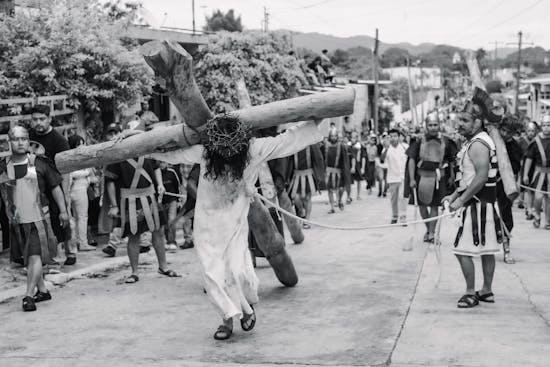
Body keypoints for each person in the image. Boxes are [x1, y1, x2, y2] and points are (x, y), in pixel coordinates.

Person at [150, 115, 324, 340]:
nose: (227, 153)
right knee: (213, 274)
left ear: (241, 142)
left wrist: (315, 121)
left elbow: (286, 141)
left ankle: (242, 310)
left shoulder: (253, 149)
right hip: (206, 226)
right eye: (222, 149)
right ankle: (228, 320)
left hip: (234, 223)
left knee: (236, 270)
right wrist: (137, 146)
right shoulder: (205, 152)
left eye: (232, 148)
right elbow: (173, 154)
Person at [442, 89, 502, 308]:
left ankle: (470, 292)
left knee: (461, 251)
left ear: (478, 122)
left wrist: (461, 200)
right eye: (460, 119)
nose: (460, 124)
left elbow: (481, 177)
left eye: (465, 120)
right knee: (486, 251)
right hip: (482, 204)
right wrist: (454, 194)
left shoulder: (478, 144)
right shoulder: (476, 141)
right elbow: (469, 178)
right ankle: (486, 291)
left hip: (478, 206)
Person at [0, 126, 69, 311]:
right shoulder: (2, 165)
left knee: (34, 256)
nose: (20, 142)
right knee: (29, 257)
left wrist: (63, 211)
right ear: (10, 142)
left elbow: (55, 187)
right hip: (15, 221)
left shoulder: (39, 163)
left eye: (24, 138)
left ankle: (28, 296)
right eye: (16, 139)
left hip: (38, 219)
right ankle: (43, 291)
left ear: (28, 140)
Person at [104, 122, 177, 283]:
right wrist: (114, 205)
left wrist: (159, 184)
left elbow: (156, 167)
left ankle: (163, 266)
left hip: (150, 196)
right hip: (130, 199)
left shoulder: (148, 149)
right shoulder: (118, 153)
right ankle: (134, 272)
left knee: (158, 231)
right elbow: (110, 181)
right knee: (134, 235)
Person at [29, 105, 75, 266]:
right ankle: (51, 253)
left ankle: (70, 251)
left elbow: (66, 169)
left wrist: (66, 192)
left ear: (49, 118)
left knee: (63, 217)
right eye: (35, 119)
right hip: (38, 186)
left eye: (42, 119)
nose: (38, 122)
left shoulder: (59, 141)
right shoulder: (29, 136)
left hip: (57, 184)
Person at [407, 114, 457, 242]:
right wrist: (412, 179)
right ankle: (429, 230)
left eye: (435, 125)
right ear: (426, 126)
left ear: (439, 125)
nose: (433, 128)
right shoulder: (418, 141)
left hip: (439, 178)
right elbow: (412, 160)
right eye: (430, 125)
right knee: (422, 206)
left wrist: (452, 175)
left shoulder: (446, 141)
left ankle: (431, 234)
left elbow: (452, 161)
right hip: (422, 177)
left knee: (435, 206)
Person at [497, 115, 523, 264]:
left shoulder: (515, 146)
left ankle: (506, 250)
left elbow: (515, 167)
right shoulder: (491, 140)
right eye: (504, 130)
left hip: (504, 185)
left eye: (510, 132)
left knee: (506, 216)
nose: (506, 134)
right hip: (487, 183)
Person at [67, 135, 96, 252]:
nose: (82, 146)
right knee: (82, 217)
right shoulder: (73, 158)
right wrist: (86, 173)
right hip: (78, 189)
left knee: (75, 217)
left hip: (76, 189)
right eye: (79, 144)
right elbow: (73, 174)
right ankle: (82, 243)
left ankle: (75, 244)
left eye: (82, 143)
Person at [288, 143, 325, 228]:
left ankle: (307, 221)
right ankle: (301, 210)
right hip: (297, 174)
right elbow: (289, 161)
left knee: (308, 198)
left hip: (309, 174)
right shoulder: (294, 145)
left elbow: (318, 159)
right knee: (295, 197)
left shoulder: (311, 145)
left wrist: (319, 174)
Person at [523, 115, 550, 230]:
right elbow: (529, 159)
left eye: (548, 125)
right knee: (538, 197)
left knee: (548, 199)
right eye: (544, 125)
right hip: (539, 173)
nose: (546, 128)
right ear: (541, 127)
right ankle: (537, 216)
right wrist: (525, 174)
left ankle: (548, 221)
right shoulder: (536, 141)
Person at [382, 129, 408, 224]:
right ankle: (394, 215)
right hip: (392, 178)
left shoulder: (405, 147)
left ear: (399, 137)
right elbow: (382, 159)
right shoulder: (387, 149)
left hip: (403, 177)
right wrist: (386, 148)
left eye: (395, 136)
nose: (393, 138)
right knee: (394, 199)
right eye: (391, 136)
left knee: (402, 197)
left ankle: (403, 216)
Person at [322, 127, 351, 213]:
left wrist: (345, 170)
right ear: (329, 136)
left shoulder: (341, 146)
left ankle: (339, 200)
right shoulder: (326, 145)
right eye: (332, 136)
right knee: (330, 190)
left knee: (341, 189)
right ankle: (332, 207)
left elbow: (344, 159)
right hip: (329, 171)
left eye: (335, 136)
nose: (333, 138)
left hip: (338, 171)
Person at [159, 162, 182, 251]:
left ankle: (172, 241)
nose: (162, 164)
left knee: (171, 221)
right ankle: (167, 240)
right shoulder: (156, 173)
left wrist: (178, 200)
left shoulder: (172, 172)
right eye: (160, 163)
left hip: (172, 200)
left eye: (163, 162)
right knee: (164, 223)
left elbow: (178, 186)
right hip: (161, 201)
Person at [519, 121, 538, 219]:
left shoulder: (537, 141)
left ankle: (533, 208)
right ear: (526, 131)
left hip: (536, 168)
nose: (531, 133)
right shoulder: (522, 141)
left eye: (533, 131)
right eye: (529, 131)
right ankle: (528, 208)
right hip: (525, 168)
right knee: (526, 189)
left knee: (534, 190)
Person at [349, 131, 366, 200]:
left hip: (358, 164)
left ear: (357, 138)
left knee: (359, 180)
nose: (352, 139)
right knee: (349, 181)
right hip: (350, 165)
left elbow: (363, 157)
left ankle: (358, 195)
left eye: (354, 138)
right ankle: (349, 195)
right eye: (351, 137)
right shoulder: (348, 146)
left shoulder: (360, 146)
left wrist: (363, 168)